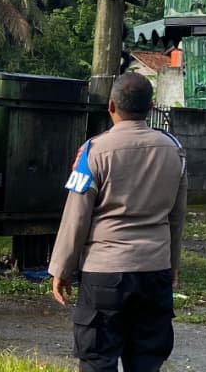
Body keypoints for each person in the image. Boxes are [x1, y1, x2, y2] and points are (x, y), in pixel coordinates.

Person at [49, 72, 187, 372]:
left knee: (98, 360)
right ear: (151, 108)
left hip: (104, 274)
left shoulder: (93, 152)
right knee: (147, 362)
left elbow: (76, 215)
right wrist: (172, 267)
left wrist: (61, 269)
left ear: (111, 106)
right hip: (155, 271)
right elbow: (177, 217)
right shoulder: (175, 150)